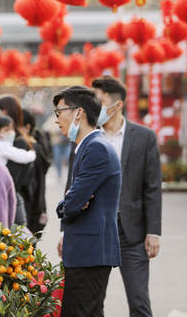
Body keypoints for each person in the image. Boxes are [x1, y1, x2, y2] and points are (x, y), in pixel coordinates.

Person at [92, 76, 161, 317]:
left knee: (139, 301)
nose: (95, 107)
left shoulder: (144, 137)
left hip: (132, 233)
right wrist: (64, 231)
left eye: (99, 102)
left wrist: (153, 231)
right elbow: (73, 182)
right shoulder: (90, 137)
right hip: (96, 231)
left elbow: (152, 187)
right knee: (92, 302)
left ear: (117, 104)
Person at [53, 86, 121, 317]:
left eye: (59, 112)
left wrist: (68, 203)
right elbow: (74, 201)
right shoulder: (87, 146)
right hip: (85, 251)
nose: (56, 120)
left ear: (78, 113)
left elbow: (71, 204)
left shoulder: (96, 149)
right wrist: (71, 202)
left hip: (91, 253)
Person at [0, 95, 33, 226]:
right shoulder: (3, 145)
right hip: (9, 192)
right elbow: (22, 156)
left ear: (4, 111)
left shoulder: (8, 143)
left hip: (6, 190)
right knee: (18, 228)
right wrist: (32, 154)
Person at [21, 109, 52, 236]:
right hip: (34, 214)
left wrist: (38, 214)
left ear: (27, 127)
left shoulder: (32, 151)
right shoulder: (32, 148)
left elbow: (37, 186)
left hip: (30, 216)